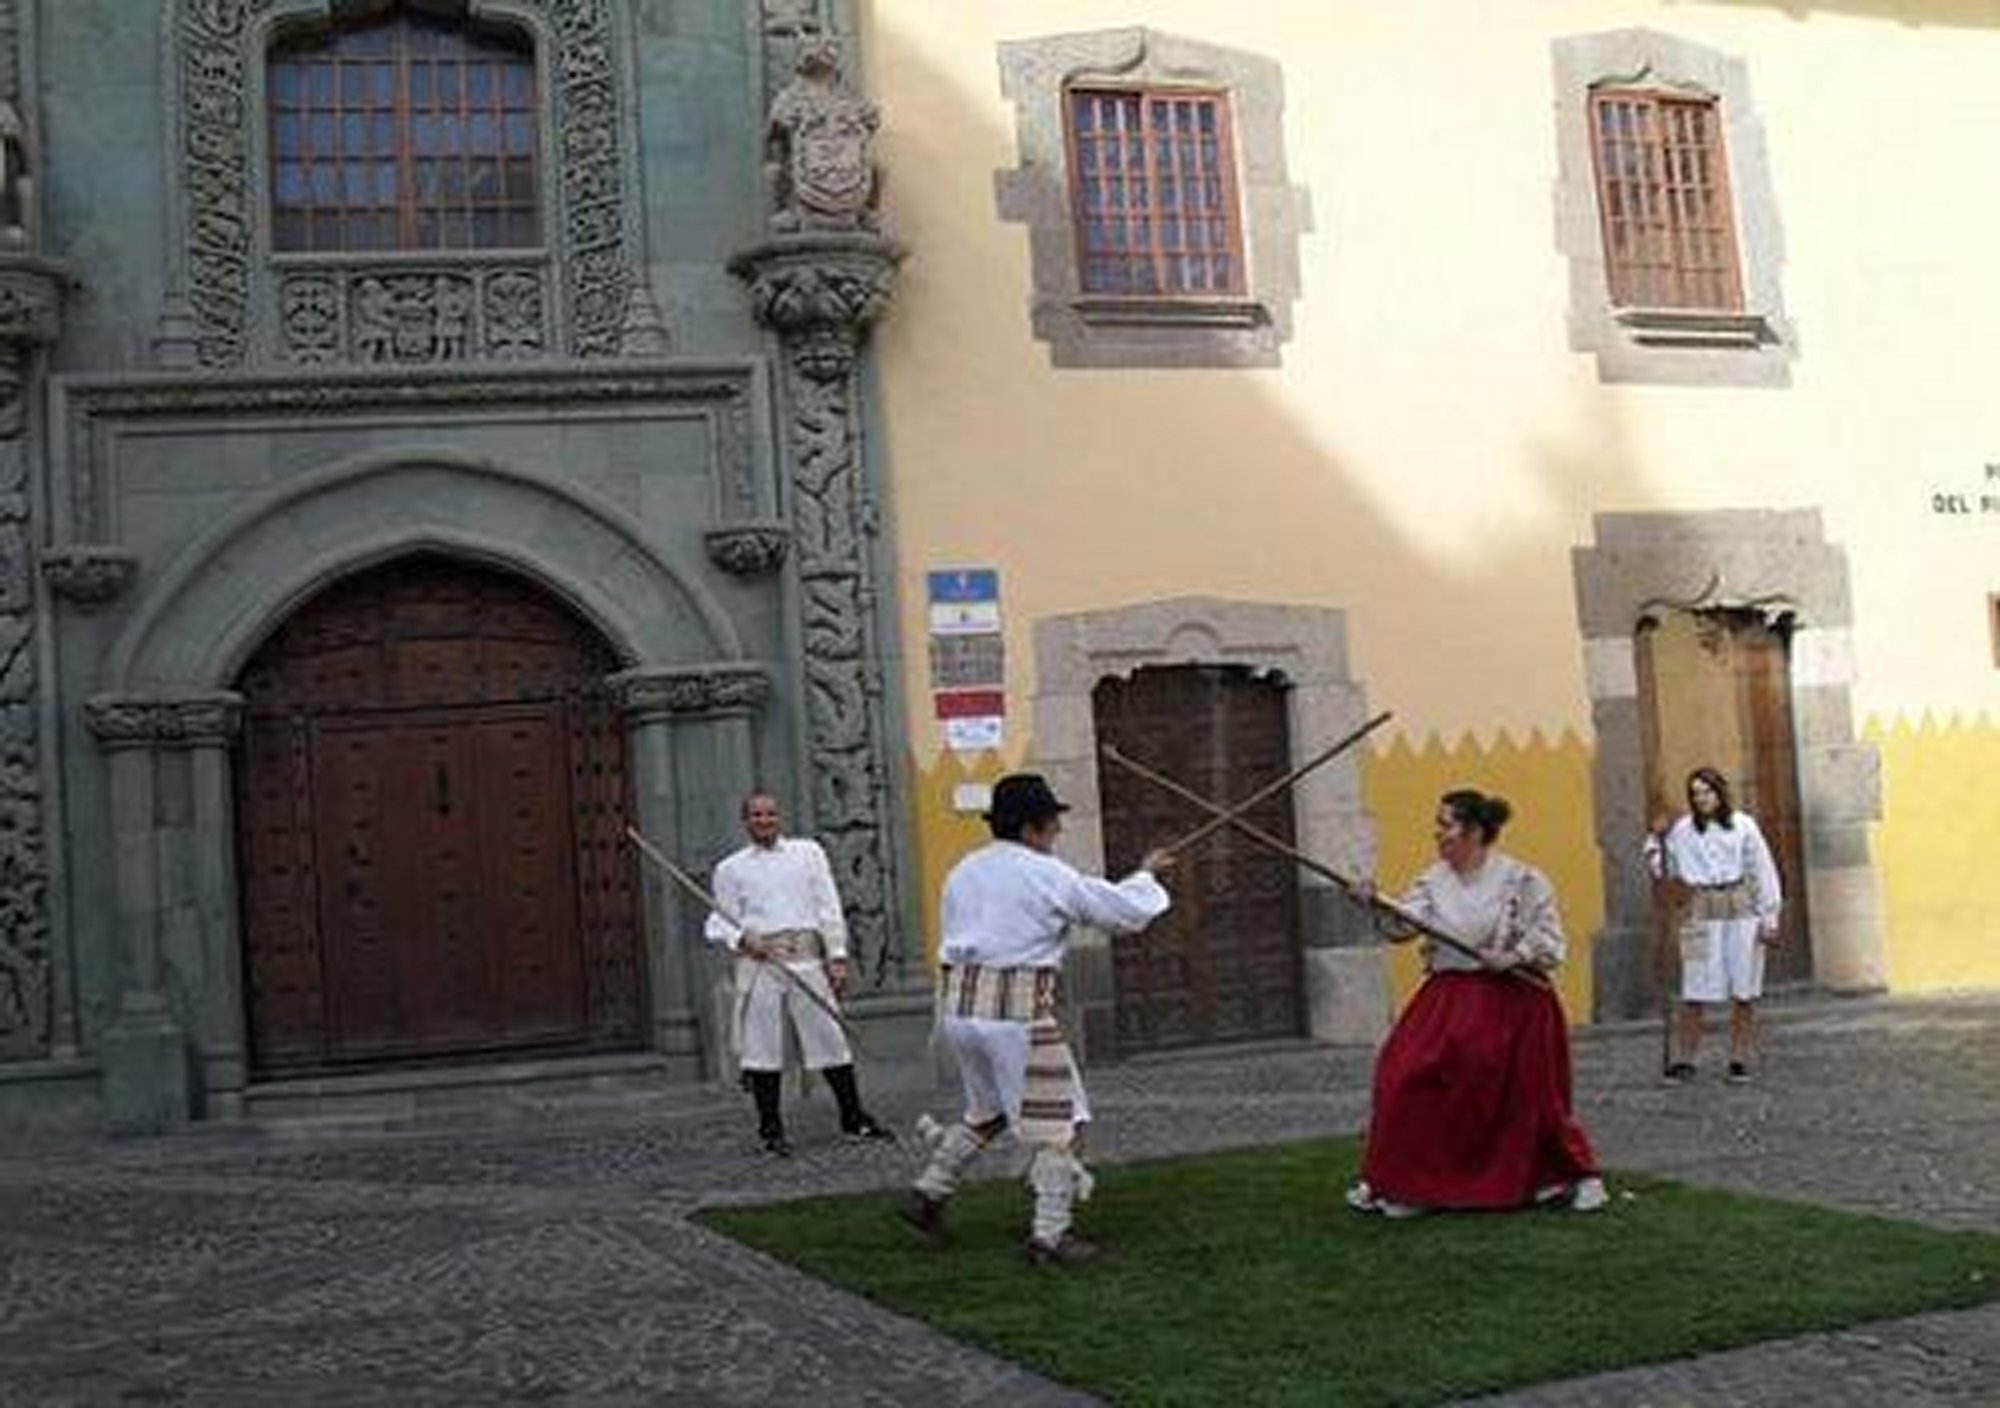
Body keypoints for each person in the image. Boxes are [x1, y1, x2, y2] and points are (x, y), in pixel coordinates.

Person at [900, 772, 1173, 1266]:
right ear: (1031, 827)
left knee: (989, 1112)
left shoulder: (965, 869)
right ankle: (1050, 1234)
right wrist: (1147, 876)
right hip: (1015, 1012)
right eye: (1052, 822)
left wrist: (1138, 878)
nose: (1056, 831)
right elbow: (1118, 913)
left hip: (962, 1009)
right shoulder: (1046, 873)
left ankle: (930, 1192)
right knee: (1061, 1121)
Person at [1345, 788, 1606, 1217]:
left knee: (1519, 1093)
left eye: (1445, 824)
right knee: (1401, 1072)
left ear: (1474, 832)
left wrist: (1512, 956)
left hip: (1516, 1002)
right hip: (1449, 996)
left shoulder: (1521, 880)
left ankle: (1574, 1175)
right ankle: (1417, 1184)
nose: (1437, 832)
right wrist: (1372, 903)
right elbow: (1403, 926)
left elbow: (1549, 940)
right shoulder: (1432, 882)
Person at [704, 790, 891, 1155]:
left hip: (806, 958)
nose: (764, 821)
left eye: (770, 814)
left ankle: (854, 1118)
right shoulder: (730, 868)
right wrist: (742, 938)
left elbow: (828, 904)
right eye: (756, 815)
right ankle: (770, 1130)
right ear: (745, 821)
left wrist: (836, 955)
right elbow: (718, 920)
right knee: (762, 1048)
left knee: (829, 1038)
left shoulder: (809, 854)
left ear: (780, 817)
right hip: (761, 965)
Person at [1645, 766, 1784, 1085]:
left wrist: (1769, 916)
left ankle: (1739, 1058)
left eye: (1706, 791)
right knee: (1694, 988)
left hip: (1742, 909)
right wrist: (1658, 839)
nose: (1701, 798)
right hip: (1701, 911)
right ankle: (1686, 1059)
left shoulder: (1743, 826)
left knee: (1744, 989)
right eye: (1695, 793)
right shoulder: (1682, 830)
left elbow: (1762, 869)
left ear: (1719, 793)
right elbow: (1665, 869)